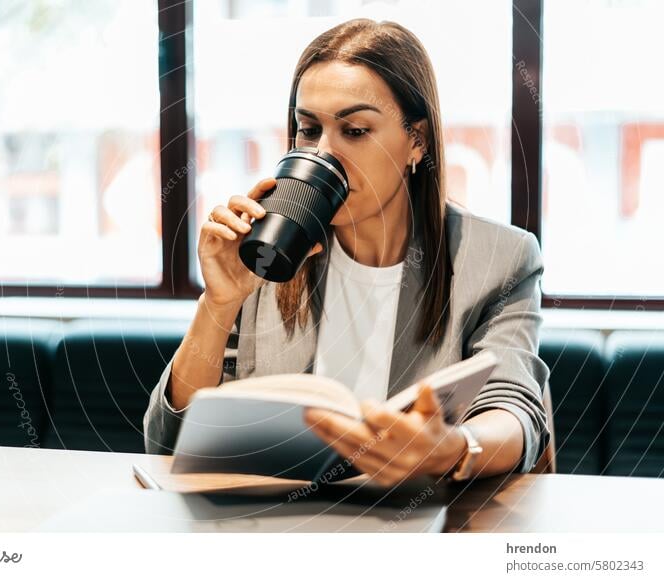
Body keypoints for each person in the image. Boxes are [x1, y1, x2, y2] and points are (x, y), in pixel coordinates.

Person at [143, 18, 550, 485]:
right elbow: (167, 441)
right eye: (308, 129)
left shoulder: (499, 258)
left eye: (354, 130)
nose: (323, 154)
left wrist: (452, 448)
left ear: (416, 140)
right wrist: (219, 303)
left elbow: (515, 410)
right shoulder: (269, 248)